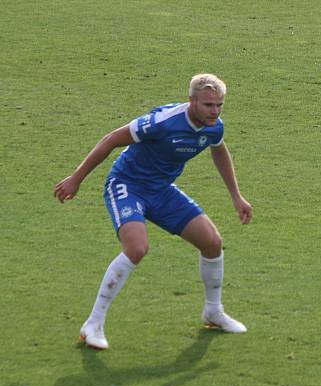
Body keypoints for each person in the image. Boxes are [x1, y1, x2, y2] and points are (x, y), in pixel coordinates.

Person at [54, 73, 251, 350]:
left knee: (212, 242)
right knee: (137, 248)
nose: (215, 111)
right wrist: (76, 178)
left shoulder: (214, 127)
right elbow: (112, 139)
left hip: (160, 190)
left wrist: (236, 196)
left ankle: (213, 311)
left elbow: (218, 150)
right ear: (192, 101)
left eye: (219, 105)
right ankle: (93, 324)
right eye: (208, 105)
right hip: (127, 184)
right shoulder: (162, 122)